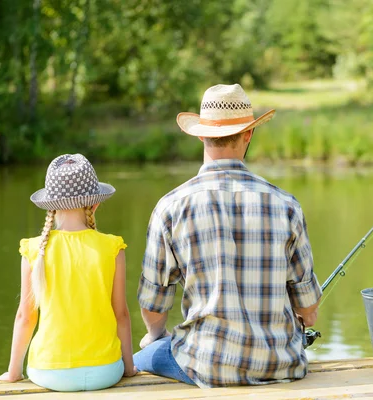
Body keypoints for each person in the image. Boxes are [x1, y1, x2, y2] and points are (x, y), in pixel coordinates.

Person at [134, 84, 322, 388]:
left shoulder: (171, 207)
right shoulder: (286, 205)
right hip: (281, 365)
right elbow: (307, 308)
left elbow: (153, 303)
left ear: (200, 134)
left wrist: (156, 335)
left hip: (204, 366)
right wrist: (304, 317)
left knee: (138, 358)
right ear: (248, 134)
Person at [0, 154, 136, 391]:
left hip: (48, 372)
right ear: (95, 204)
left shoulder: (33, 250)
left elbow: (25, 317)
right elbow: (121, 314)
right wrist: (129, 367)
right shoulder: (112, 248)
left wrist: (13, 373)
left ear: (50, 206)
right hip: (105, 371)